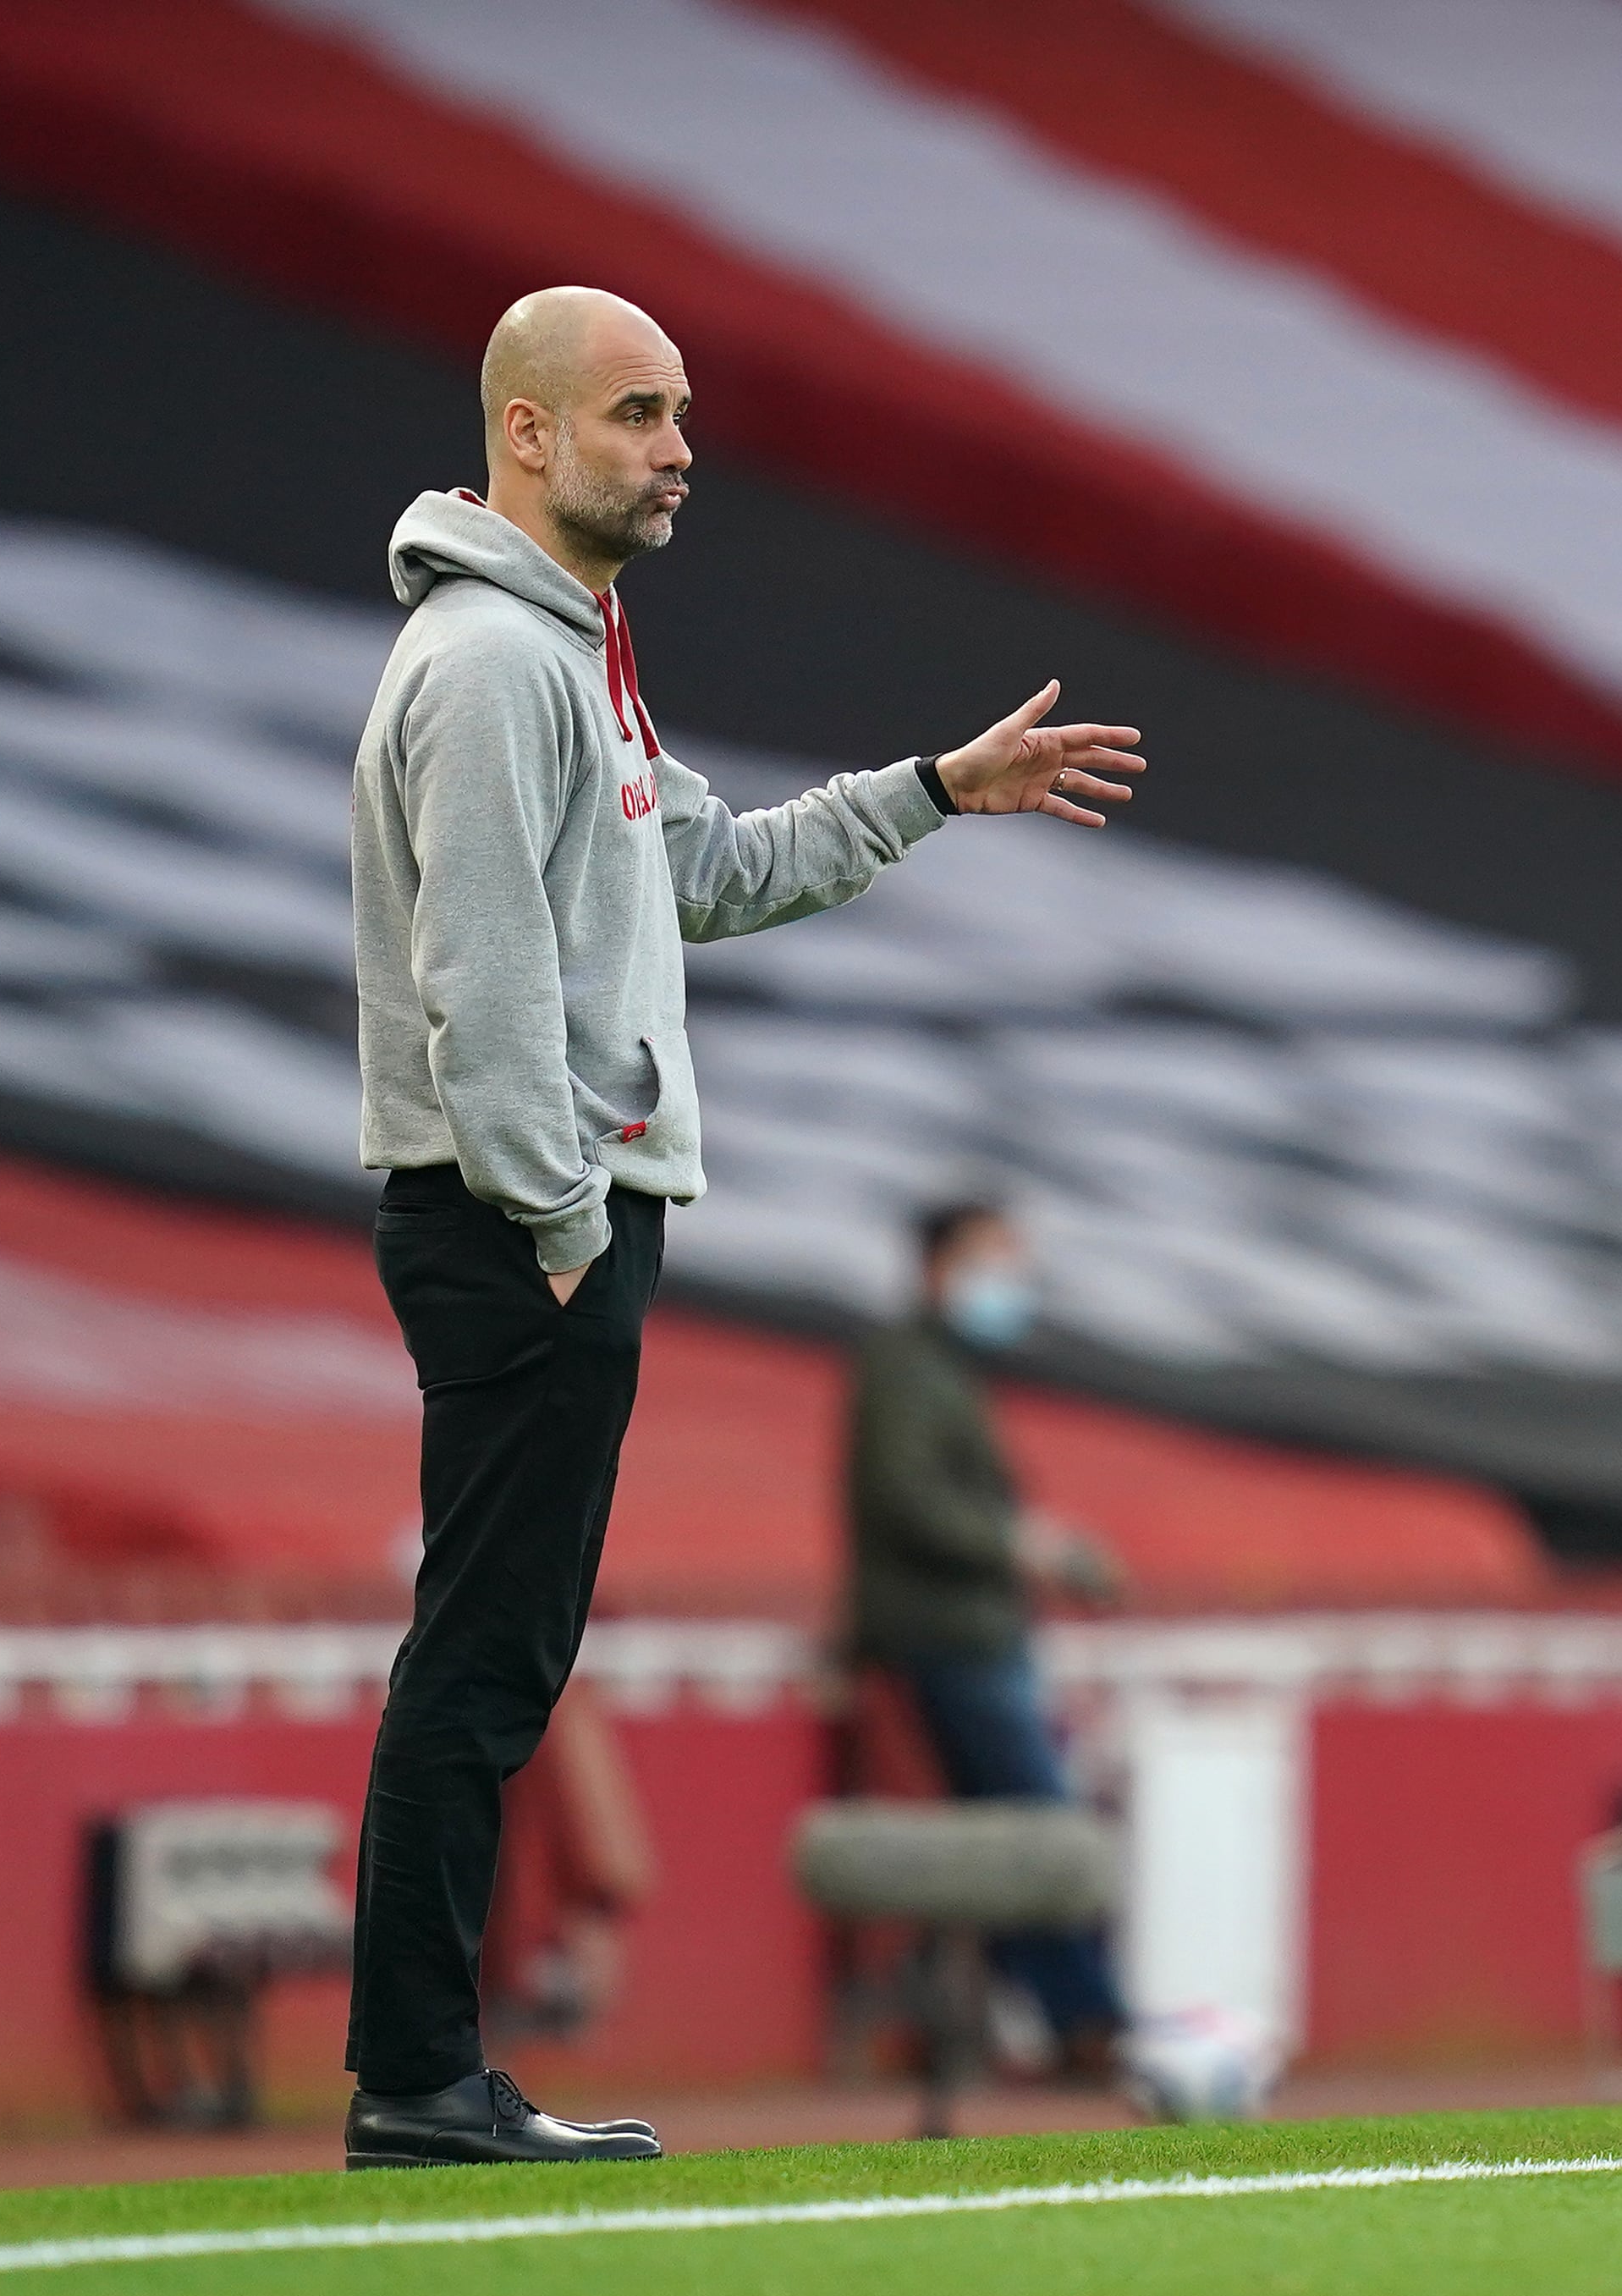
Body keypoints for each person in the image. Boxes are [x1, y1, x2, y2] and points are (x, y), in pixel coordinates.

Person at [342, 286, 1147, 2168]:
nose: (680, 447)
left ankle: (431, 2071)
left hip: (541, 1211)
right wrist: (554, 1214)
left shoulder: (571, 648)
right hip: (516, 1218)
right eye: (639, 412)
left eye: (681, 412)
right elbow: (480, 977)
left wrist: (935, 791)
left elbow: (699, 870)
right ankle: (419, 2080)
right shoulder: (491, 665)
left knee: (500, 1651)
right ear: (526, 433)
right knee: (482, 1654)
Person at [844, 1198, 1132, 2079]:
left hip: (969, 1629)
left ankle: (1056, 2017)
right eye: (996, 1257)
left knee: (1006, 1836)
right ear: (940, 1265)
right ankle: (1091, 2018)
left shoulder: (941, 1369)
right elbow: (911, 1500)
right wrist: (1023, 1542)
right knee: (1038, 1829)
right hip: (952, 1634)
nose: (1013, 1278)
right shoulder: (908, 1368)